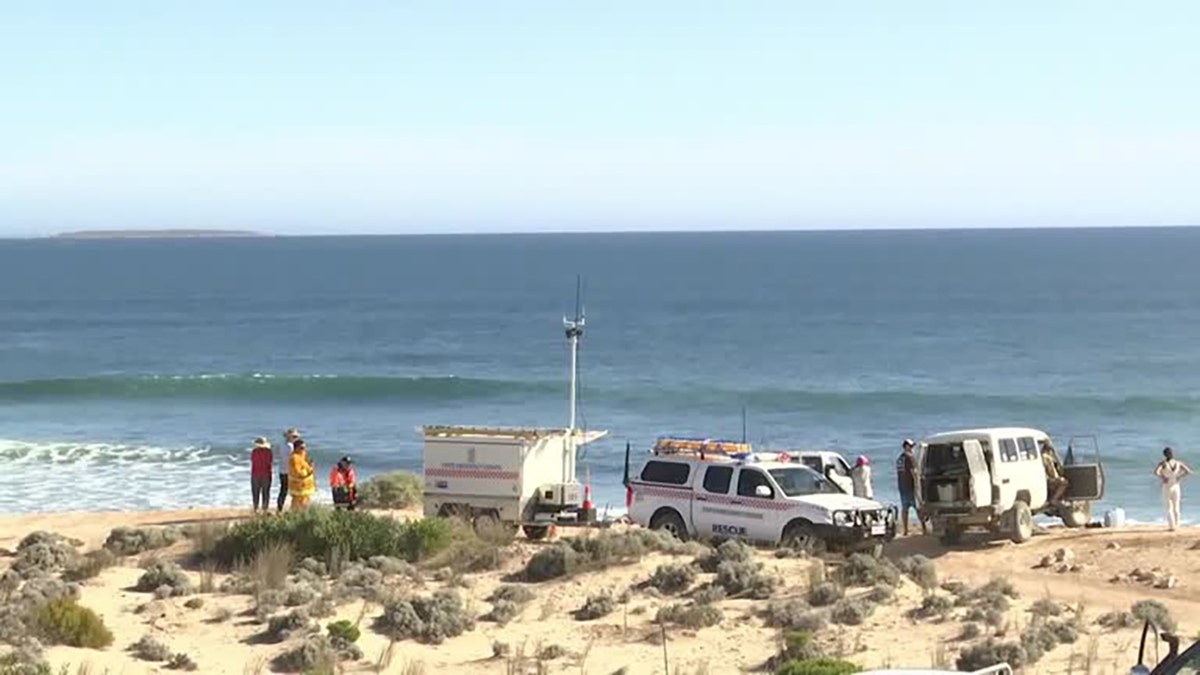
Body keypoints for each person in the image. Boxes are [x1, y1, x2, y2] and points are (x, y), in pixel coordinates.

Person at [1155, 446, 1192, 531]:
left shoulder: (1163, 463)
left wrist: (1163, 477)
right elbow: (1188, 471)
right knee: (1176, 507)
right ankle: (1177, 525)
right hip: (1176, 485)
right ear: (1172, 454)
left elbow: (1156, 472)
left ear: (1164, 455)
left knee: (1168, 507)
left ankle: (1172, 527)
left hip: (1167, 486)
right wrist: (1179, 476)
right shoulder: (1178, 463)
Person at [896, 439, 925, 535]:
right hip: (910, 486)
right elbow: (914, 472)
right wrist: (917, 485)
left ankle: (905, 530)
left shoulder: (899, 459)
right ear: (906, 447)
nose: (912, 448)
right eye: (911, 446)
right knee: (918, 507)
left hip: (902, 486)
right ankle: (924, 528)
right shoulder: (910, 458)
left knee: (905, 508)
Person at [288, 438, 316, 510]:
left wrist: (309, 467)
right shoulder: (294, 458)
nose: (304, 449)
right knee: (298, 503)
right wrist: (309, 472)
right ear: (296, 448)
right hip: (299, 487)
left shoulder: (301, 456)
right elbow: (297, 472)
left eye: (304, 448)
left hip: (304, 487)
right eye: (302, 448)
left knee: (305, 502)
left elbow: (304, 466)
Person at [276, 428, 299, 512]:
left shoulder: (281, 444)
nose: (295, 439)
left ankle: (279, 508)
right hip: (290, 472)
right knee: (294, 490)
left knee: (283, 490)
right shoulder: (291, 447)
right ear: (289, 437)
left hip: (282, 470)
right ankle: (294, 508)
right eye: (294, 437)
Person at [1040, 439, 1069, 503]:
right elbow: (1052, 472)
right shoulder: (1046, 457)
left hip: (1041, 479)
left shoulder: (1039, 456)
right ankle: (1054, 499)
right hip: (1046, 480)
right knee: (1063, 482)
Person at [250, 437, 274, 512]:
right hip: (266, 474)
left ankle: (255, 508)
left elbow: (253, 461)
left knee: (255, 493)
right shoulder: (268, 452)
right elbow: (270, 462)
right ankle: (265, 509)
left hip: (255, 474)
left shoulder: (254, 451)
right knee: (266, 493)